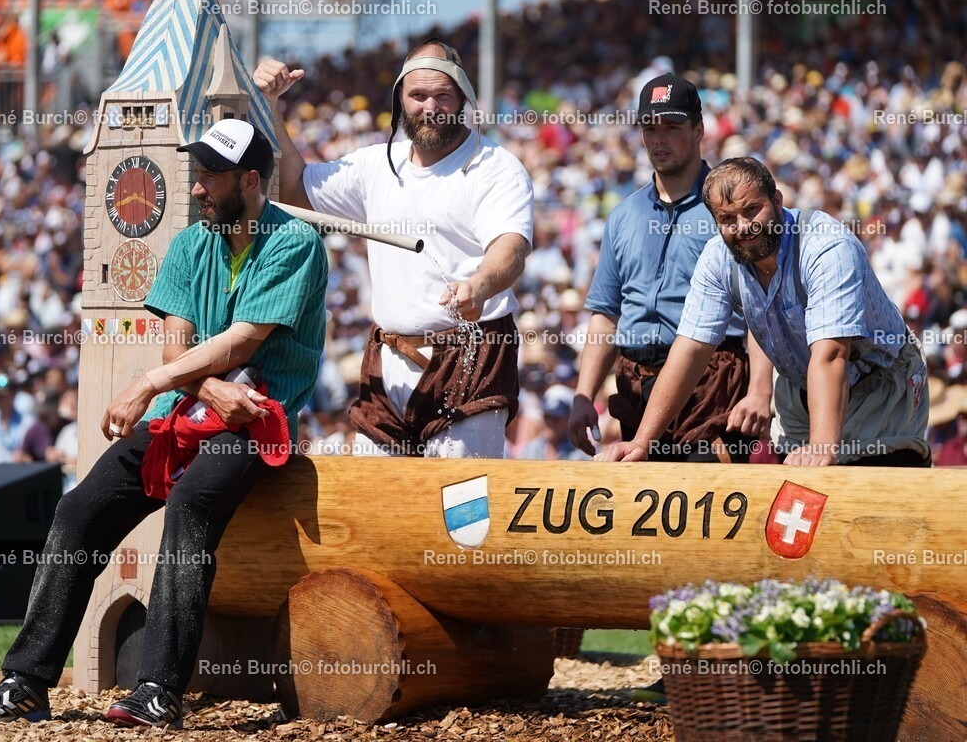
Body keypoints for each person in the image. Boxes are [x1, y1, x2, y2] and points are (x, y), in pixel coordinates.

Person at [0, 119, 328, 727]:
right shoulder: (187, 244)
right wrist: (192, 386)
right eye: (198, 173)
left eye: (210, 175)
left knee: (191, 507)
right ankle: (25, 681)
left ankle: (159, 691)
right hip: (186, 409)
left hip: (257, 421)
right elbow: (177, 346)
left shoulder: (295, 244)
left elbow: (242, 341)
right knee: (78, 512)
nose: (198, 187)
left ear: (252, 179)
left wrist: (156, 383)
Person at [253, 39, 533, 459]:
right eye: (418, 95)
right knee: (376, 503)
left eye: (443, 95)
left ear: (463, 100)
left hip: (471, 352)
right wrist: (271, 106)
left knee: (460, 511)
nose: (430, 106)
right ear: (400, 99)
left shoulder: (495, 166)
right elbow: (296, 192)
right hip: (387, 357)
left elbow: (510, 246)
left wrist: (479, 284)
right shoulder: (374, 165)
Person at [598, 157, 930, 467]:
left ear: (777, 200)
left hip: (880, 383)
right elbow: (691, 349)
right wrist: (642, 442)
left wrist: (821, 448)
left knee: (876, 502)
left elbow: (831, 355)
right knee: (801, 511)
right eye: (727, 219)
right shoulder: (718, 257)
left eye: (751, 210)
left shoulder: (826, 247)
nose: (743, 226)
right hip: (802, 387)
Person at [569, 74, 772, 463]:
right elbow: (606, 316)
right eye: (650, 128)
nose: (658, 139)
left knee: (705, 511)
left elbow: (758, 305)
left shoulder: (729, 212)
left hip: (713, 381)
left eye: (672, 128)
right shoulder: (623, 215)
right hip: (635, 385)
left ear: (698, 130)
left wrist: (760, 390)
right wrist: (585, 396)